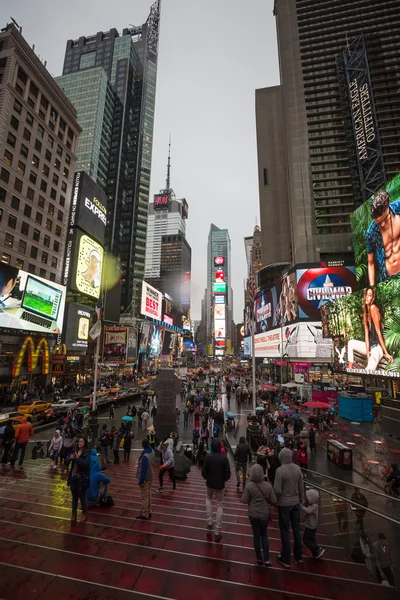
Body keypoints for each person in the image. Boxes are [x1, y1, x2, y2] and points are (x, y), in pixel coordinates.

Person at [347, 287, 393, 371]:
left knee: (369, 369)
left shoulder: (373, 308)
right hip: (370, 346)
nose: (367, 297)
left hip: (377, 347)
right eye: (367, 295)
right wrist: (368, 354)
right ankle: (350, 370)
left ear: (372, 298)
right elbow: (366, 335)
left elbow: (379, 332)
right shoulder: (365, 312)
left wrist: (386, 353)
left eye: (370, 295)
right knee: (350, 343)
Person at [274, 447, 304, 568]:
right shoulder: (297, 469)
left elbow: (277, 489)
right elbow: (301, 486)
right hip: (296, 502)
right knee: (296, 529)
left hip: (284, 504)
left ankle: (286, 558)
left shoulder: (280, 471)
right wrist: (301, 498)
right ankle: (299, 555)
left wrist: (276, 500)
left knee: (285, 531)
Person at [242, 463, 277, 566]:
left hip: (253, 515)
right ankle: (266, 558)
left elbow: (244, 500)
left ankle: (258, 558)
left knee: (256, 536)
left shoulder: (249, 486)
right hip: (264, 515)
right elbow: (274, 500)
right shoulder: (268, 486)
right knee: (264, 535)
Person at [366, 188, 400, 286]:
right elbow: (370, 262)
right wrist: (372, 287)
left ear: (388, 205)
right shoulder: (371, 233)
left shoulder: (398, 209)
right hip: (389, 281)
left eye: (385, 218)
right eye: (378, 222)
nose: (382, 224)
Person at [202, 438, 231, 541]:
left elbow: (204, 472)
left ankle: (209, 521)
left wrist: (206, 477)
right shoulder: (224, 458)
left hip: (209, 483)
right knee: (219, 505)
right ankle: (218, 530)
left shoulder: (208, 457)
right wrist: (223, 479)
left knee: (208, 498)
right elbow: (228, 474)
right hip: (220, 485)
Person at [65, 436, 91, 522]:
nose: (80, 443)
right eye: (79, 441)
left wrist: (77, 458)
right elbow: (66, 462)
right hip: (73, 478)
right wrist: (70, 458)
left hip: (82, 478)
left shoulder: (87, 453)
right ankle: (73, 514)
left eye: (82, 441)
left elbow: (85, 464)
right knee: (74, 497)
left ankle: (84, 513)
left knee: (82, 497)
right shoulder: (74, 451)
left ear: (85, 443)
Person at [300, 489, 324, 559]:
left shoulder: (314, 506)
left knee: (306, 540)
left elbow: (308, 511)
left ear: (311, 499)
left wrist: (300, 506)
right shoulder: (312, 504)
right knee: (312, 539)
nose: (305, 498)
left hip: (311, 527)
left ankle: (318, 549)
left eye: (307, 497)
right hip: (311, 525)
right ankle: (316, 553)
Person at [137, 438, 155, 520]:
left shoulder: (145, 457)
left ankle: (144, 514)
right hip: (151, 476)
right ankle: (149, 510)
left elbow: (143, 470)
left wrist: (141, 481)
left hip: (145, 478)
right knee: (149, 494)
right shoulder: (152, 451)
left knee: (144, 496)